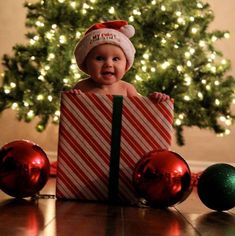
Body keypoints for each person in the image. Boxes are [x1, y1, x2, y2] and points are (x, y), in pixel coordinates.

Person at [73, 20, 169, 101]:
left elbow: (141, 111)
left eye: (115, 59)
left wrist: (154, 101)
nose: (108, 64)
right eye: (99, 58)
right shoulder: (81, 88)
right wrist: (73, 97)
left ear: (126, 64)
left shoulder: (127, 89)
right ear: (86, 63)